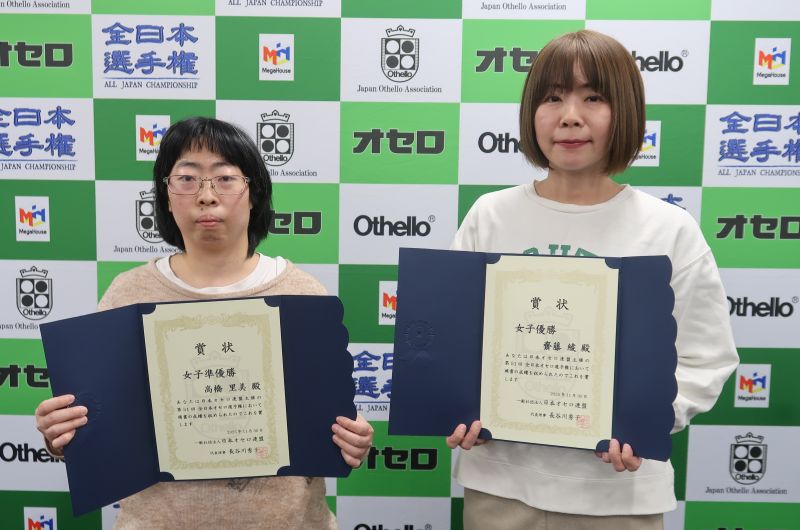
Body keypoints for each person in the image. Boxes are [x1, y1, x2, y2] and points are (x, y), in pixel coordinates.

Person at [446, 30, 738, 530]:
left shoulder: (668, 229)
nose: (570, 116)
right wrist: (455, 405)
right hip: (499, 485)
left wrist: (646, 420)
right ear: (531, 112)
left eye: (594, 98)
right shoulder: (490, 215)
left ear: (625, 112)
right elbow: (453, 341)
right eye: (552, 97)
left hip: (618, 495)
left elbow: (706, 357)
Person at [35, 117, 373, 529]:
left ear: (254, 194)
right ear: (166, 197)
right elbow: (99, 425)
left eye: (225, 179)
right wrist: (63, 435)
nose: (207, 196)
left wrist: (351, 438)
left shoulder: (302, 294)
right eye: (187, 179)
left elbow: (330, 422)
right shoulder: (128, 294)